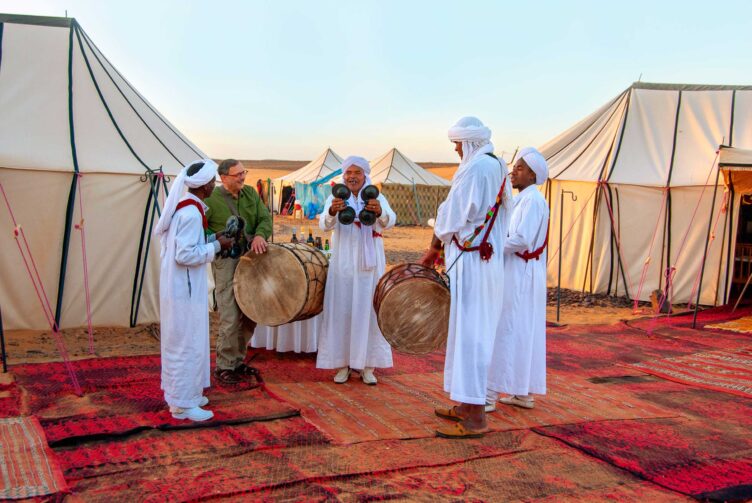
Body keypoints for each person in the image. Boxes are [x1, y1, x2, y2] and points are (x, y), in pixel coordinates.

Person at [419, 116, 512, 439]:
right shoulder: (497, 165)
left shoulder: (476, 168)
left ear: (469, 142)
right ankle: (467, 403)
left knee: (472, 335)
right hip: (482, 260)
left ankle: (475, 419)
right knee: (469, 332)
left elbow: (453, 213)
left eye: (457, 143)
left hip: (474, 262)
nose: (456, 149)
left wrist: (433, 246)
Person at [155, 159, 233, 422]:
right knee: (185, 343)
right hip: (183, 289)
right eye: (213, 181)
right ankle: (182, 404)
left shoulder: (188, 208)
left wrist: (213, 238)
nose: (214, 185)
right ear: (205, 185)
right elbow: (185, 254)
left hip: (185, 287)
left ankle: (189, 394)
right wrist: (218, 247)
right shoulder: (189, 213)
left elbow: (191, 244)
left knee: (191, 339)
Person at [317, 156, 397, 384]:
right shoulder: (335, 197)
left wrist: (380, 211)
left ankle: (367, 365)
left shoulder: (377, 195)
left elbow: (390, 221)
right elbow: (323, 225)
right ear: (343, 176)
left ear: (365, 175)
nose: (352, 176)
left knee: (367, 310)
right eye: (348, 173)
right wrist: (332, 212)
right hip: (343, 262)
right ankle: (342, 365)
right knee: (342, 309)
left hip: (369, 264)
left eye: (357, 172)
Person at [487, 147, 549, 410]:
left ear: (533, 175)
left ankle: (489, 394)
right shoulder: (525, 199)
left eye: (520, 168)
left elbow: (521, 238)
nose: (513, 172)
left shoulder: (533, 201)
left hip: (521, 273)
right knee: (523, 329)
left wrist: (488, 245)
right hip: (522, 270)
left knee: (508, 327)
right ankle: (522, 392)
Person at [205, 159, 272, 385]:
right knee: (230, 315)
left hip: (252, 259)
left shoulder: (251, 194)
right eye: (238, 175)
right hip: (226, 262)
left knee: (251, 313)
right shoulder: (210, 199)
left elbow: (264, 218)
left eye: (244, 172)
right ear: (223, 178)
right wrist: (217, 240)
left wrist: (261, 234)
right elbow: (199, 232)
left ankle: (237, 360)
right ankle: (224, 365)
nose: (243, 177)